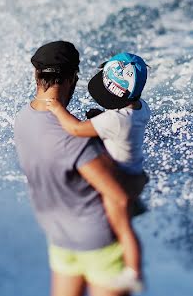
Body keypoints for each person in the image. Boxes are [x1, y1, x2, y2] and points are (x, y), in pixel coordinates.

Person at [14, 40, 143, 296]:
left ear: (36, 75)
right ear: (70, 78)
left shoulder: (25, 119)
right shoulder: (73, 140)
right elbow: (115, 197)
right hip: (98, 240)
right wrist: (128, 239)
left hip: (58, 235)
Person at [45, 53, 151, 215]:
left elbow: (76, 129)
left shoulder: (117, 120)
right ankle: (133, 205)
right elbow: (119, 124)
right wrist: (101, 119)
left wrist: (57, 108)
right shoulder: (141, 107)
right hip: (134, 168)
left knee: (112, 210)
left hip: (120, 176)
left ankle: (124, 214)